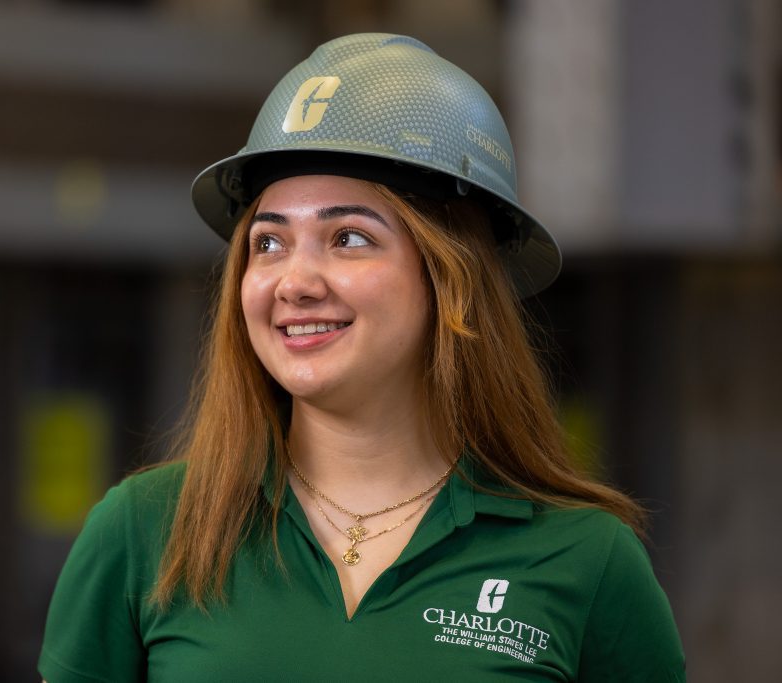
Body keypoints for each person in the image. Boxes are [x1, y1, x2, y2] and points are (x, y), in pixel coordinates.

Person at [39, 33, 685, 681]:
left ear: (451, 279)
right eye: (269, 243)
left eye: (348, 237)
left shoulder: (587, 560)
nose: (295, 281)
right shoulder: (142, 532)